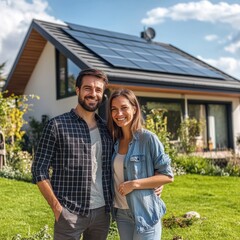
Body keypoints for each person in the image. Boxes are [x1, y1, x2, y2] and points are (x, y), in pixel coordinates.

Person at [31, 68, 113, 240]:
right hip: (69, 213)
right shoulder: (57, 126)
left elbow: (122, 161)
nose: (93, 94)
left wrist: (154, 182)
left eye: (98, 90)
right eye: (88, 88)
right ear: (78, 90)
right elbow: (39, 170)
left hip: (102, 214)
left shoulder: (107, 129)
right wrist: (57, 208)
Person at [107, 88, 174, 240]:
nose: (119, 114)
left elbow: (167, 175)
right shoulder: (113, 141)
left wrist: (135, 184)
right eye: (114, 109)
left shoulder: (148, 139)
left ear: (134, 108)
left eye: (124, 108)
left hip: (145, 212)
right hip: (122, 213)